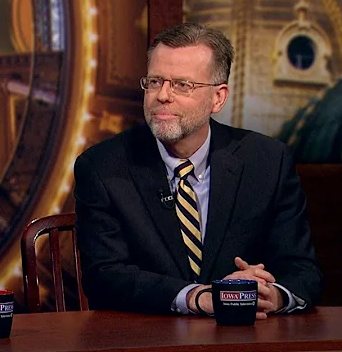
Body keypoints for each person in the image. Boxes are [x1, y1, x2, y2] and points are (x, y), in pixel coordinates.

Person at [73, 23, 323, 319]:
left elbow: (302, 270)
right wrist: (197, 297)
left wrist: (273, 295)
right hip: (145, 344)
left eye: (182, 85)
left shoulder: (267, 162)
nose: (163, 95)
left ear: (218, 97)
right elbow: (104, 277)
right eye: (155, 82)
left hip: (246, 344)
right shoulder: (103, 167)